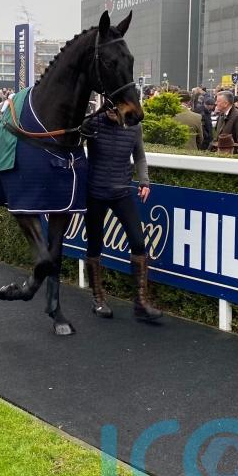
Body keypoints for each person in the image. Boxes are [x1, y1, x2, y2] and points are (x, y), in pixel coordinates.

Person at [83, 108, 163, 322]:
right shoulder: (92, 123)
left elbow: (139, 156)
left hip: (122, 192)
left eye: (115, 106)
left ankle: (141, 302)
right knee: (94, 244)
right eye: (108, 106)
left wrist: (144, 181)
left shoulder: (134, 125)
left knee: (138, 242)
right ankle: (98, 298)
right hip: (94, 193)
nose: (111, 110)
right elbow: (72, 145)